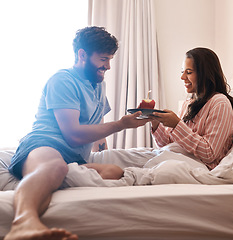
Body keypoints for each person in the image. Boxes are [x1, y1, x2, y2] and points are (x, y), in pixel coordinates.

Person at [5, 26, 149, 240]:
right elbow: (73, 134)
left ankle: (48, 178)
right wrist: (121, 124)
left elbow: (97, 126)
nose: (108, 66)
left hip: (74, 158)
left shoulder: (98, 84)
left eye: (110, 59)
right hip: (43, 144)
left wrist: (102, 148)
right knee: (55, 165)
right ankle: (23, 223)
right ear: (82, 55)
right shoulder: (63, 81)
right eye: (103, 59)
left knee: (114, 171)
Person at [85, 47, 233, 179]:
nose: (182, 77)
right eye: (182, 72)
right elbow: (168, 144)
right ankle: (79, 167)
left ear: (205, 73)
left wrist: (177, 124)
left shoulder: (219, 103)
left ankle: (84, 176)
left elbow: (209, 154)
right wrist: (155, 122)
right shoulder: (189, 103)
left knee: (126, 167)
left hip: (197, 165)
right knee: (111, 156)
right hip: (171, 153)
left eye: (188, 72)